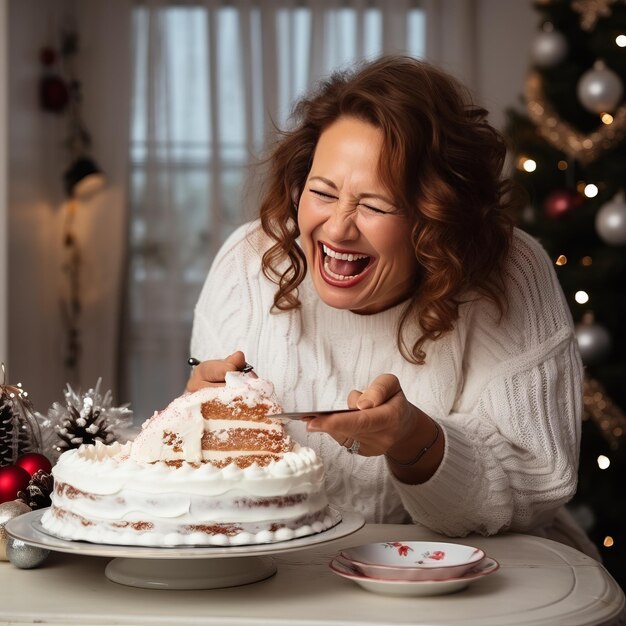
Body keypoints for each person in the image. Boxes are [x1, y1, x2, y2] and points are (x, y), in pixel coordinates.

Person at [187, 55, 598, 558]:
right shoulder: (249, 263)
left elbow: (538, 486)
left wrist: (412, 440)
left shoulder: (510, 271)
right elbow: (209, 487)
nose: (338, 228)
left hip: (483, 579)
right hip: (291, 575)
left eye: (376, 206)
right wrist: (198, 422)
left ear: (436, 216)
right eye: (322, 192)